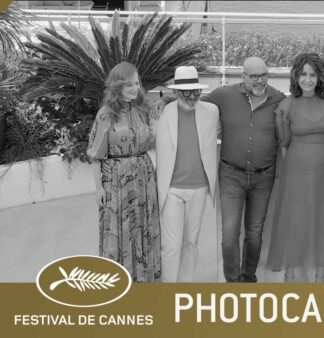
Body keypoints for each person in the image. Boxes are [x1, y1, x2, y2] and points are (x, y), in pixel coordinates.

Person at [152, 57, 286, 283]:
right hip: (220, 177)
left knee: (251, 234)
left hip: (255, 178)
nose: (259, 80)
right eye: (253, 75)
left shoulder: (277, 100)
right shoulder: (221, 96)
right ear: (243, 76)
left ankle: (245, 280)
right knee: (222, 236)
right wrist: (164, 99)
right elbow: (188, 100)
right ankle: (224, 283)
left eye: (263, 75)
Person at [265, 52, 324, 282]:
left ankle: (319, 280)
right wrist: (291, 170)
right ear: (295, 76)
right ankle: (290, 279)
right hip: (294, 173)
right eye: (303, 74)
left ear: (320, 76)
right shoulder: (286, 106)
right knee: (294, 222)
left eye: (313, 74)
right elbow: (284, 145)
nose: (308, 79)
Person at [87, 62, 161, 282]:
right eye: (128, 84)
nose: (134, 88)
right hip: (117, 182)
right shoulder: (106, 114)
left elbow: (152, 139)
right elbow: (95, 155)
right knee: (119, 231)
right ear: (117, 86)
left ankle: (145, 281)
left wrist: (164, 102)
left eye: (137, 83)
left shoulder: (142, 110)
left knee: (144, 228)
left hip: (145, 179)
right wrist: (99, 188)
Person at [155, 66, 219, 282]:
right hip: (171, 189)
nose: (191, 96)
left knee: (191, 243)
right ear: (175, 92)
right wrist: (162, 101)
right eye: (185, 92)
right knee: (171, 246)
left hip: (200, 188)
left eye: (196, 91)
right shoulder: (162, 112)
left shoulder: (212, 112)